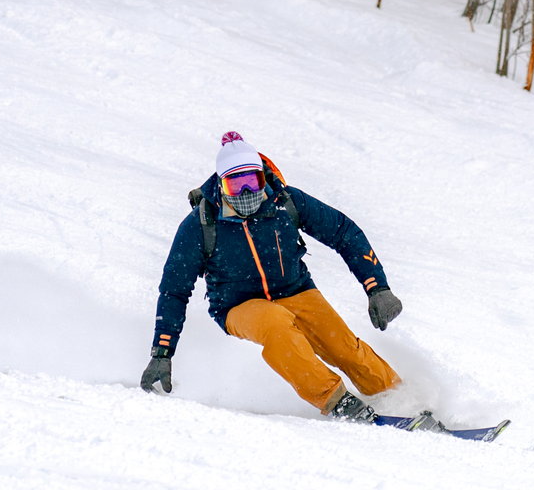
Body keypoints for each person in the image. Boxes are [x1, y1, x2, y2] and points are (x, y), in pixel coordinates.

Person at [140, 132, 406, 421]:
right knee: (276, 324)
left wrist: (376, 287)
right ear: (221, 184)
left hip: (296, 290)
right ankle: (337, 400)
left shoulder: (285, 202)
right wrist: (162, 352)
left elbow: (344, 232)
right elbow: (174, 289)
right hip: (238, 306)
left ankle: (398, 399)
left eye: (251, 181)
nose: (245, 193)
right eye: (235, 184)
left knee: (342, 347)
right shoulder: (201, 224)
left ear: (262, 178)